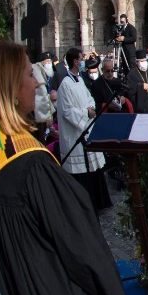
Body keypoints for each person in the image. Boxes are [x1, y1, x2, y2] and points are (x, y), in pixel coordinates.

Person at [0, 41, 127, 295]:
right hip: (57, 291)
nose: (37, 82)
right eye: (28, 74)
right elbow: (79, 246)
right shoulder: (33, 165)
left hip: (23, 286)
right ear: (12, 88)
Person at [57, 47, 112, 212]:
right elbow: (67, 111)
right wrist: (85, 113)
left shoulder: (80, 79)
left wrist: (91, 108)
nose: (83, 62)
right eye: (81, 59)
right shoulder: (65, 84)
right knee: (82, 171)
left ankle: (99, 202)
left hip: (87, 127)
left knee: (94, 169)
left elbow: (89, 98)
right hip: (75, 133)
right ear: (75, 61)